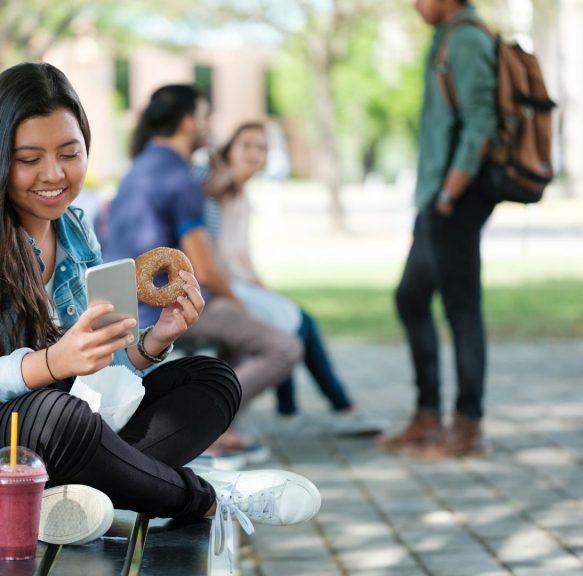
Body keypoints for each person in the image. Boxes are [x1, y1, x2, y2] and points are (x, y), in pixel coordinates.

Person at [0, 63, 320, 552]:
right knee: (55, 414)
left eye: (70, 153)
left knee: (212, 380)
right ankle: (210, 497)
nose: (54, 174)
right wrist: (51, 364)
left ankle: (68, 499)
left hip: (52, 432)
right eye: (30, 159)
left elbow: (98, 374)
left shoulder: (74, 229)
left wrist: (153, 343)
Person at [103, 85, 303, 465]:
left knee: (241, 339)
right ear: (189, 122)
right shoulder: (181, 179)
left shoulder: (139, 167)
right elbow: (205, 268)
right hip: (163, 314)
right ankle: (204, 427)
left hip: (127, 306)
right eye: (206, 117)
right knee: (284, 347)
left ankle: (222, 427)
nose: (210, 126)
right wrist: (238, 302)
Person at [201, 122, 382, 437]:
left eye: (261, 148)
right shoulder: (221, 187)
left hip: (241, 283)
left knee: (295, 319)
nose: (255, 153)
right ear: (230, 149)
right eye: (247, 145)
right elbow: (216, 255)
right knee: (300, 324)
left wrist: (263, 289)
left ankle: (295, 409)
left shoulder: (243, 196)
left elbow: (243, 256)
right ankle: (338, 407)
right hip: (223, 288)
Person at [379, 0, 499, 458]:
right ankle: (428, 415)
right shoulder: (447, 36)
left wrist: (449, 194)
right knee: (411, 297)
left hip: (457, 198)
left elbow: (482, 122)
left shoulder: (467, 39)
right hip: (437, 199)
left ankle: (468, 427)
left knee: (462, 310)